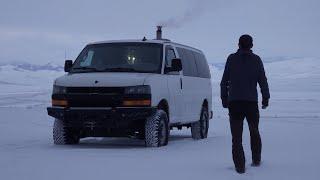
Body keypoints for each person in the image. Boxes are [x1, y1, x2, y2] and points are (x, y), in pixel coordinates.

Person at [220, 34, 270, 174]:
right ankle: (256, 159)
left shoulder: (231, 59)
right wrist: (265, 98)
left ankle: (240, 167)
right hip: (251, 104)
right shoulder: (256, 60)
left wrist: (224, 99)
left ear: (238, 44)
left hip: (235, 103)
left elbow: (224, 81)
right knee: (254, 131)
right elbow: (263, 80)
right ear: (251, 45)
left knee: (236, 137)